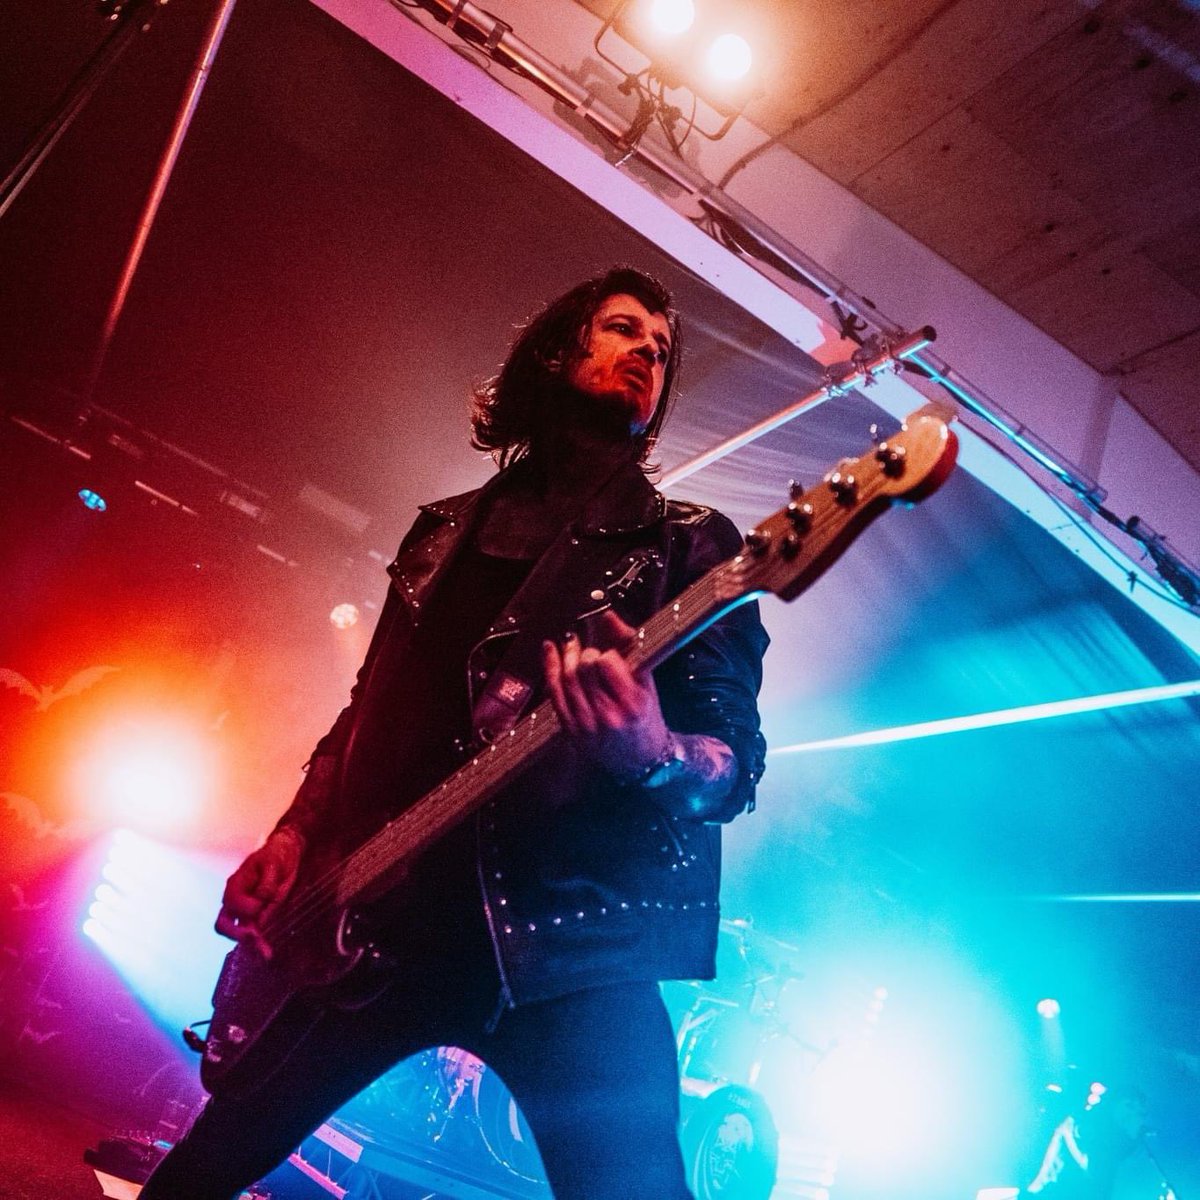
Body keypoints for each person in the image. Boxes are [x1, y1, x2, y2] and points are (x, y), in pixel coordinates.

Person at [140, 266, 769, 1200]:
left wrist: (652, 753)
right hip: (380, 926)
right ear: (558, 352)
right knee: (199, 1173)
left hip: (567, 951)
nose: (647, 353)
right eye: (623, 330)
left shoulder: (690, 546)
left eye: (662, 350)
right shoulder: (442, 532)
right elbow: (368, 712)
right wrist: (294, 834)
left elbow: (731, 765)